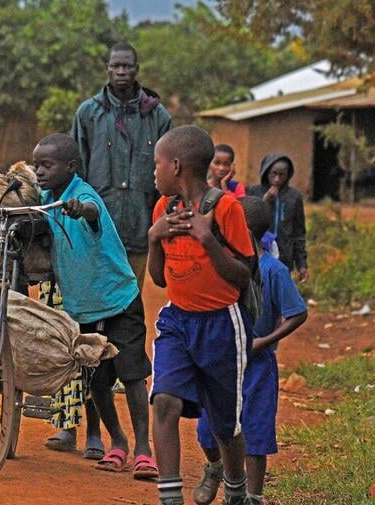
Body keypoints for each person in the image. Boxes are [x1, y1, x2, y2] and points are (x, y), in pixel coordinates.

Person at [65, 40, 172, 455]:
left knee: (123, 321)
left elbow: (168, 174)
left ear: (137, 67)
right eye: (115, 65)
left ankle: (131, 437)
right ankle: (93, 429)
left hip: (137, 235)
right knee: (91, 328)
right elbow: (74, 169)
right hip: (92, 237)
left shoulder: (158, 116)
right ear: (107, 69)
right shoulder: (88, 113)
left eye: (128, 65)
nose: (121, 72)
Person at [33, 133, 157, 480]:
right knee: (96, 380)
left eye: (47, 165)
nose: (39, 171)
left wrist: (80, 210)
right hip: (82, 309)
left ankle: (144, 449)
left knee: (131, 374)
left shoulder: (83, 196)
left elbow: (90, 213)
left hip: (117, 300)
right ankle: (117, 442)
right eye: (36, 165)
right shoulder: (44, 197)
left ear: (71, 167)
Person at [148, 125, 255, 505]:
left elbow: (244, 275)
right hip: (178, 320)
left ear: (176, 165)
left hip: (222, 324)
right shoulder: (164, 208)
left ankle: (237, 488)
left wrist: (208, 240)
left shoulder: (225, 208)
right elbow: (159, 278)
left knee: (226, 426)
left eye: (157, 164)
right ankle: (170, 498)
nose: (154, 171)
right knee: (164, 401)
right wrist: (154, 236)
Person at [193, 196, 308, 505]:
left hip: (257, 365)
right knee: (207, 429)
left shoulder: (273, 271)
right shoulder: (219, 266)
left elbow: (298, 312)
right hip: (220, 362)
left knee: (255, 433)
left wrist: (264, 341)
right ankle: (215, 467)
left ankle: (252, 497)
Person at [247, 153, 309, 282]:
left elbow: (298, 232)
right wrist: (265, 201)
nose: (277, 179)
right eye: (273, 174)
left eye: (282, 175)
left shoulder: (294, 197)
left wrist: (301, 264)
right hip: (258, 256)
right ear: (266, 172)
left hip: (284, 258)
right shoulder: (254, 192)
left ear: (288, 175)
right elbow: (248, 220)